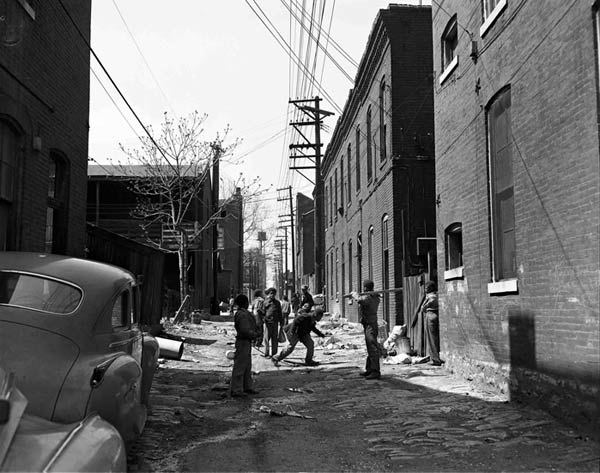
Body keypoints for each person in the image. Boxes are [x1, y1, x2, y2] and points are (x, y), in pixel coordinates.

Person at [229, 294, 259, 397]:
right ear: (245, 303)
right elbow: (245, 330)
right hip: (243, 341)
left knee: (246, 366)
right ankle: (236, 390)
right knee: (240, 365)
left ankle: (247, 387)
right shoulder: (242, 315)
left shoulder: (243, 313)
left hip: (246, 342)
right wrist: (254, 335)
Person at [351, 280, 381, 380]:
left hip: (370, 325)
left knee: (372, 347)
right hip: (368, 323)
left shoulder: (370, 297)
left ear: (365, 288)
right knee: (369, 347)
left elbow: (360, 300)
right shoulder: (373, 296)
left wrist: (355, 295)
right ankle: (370, 369)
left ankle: (375, 371)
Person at [419, 281, 442, 366]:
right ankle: (437, 356)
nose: (425, 290)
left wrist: (424, 308)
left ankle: (435, 359)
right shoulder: (438, 294)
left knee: (431, 338)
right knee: (436, 337)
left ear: (431, 288)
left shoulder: (430, 296)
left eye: (426, 288)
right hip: (437, 315)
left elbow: (423, 307)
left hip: (430, 315)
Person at [262, 287, 283, 357]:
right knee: (266, 339)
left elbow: (280, 312)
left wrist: (281, 321)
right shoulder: (265, 302)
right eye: (271, 293)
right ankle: (266, 353)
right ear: (269, 294)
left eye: (273, 293)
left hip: (275, 323)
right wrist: (263, 319)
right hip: (268, 323)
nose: (272, 295)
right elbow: (263, 312)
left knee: (274, 339)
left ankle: (274, 354)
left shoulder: (277, 303)